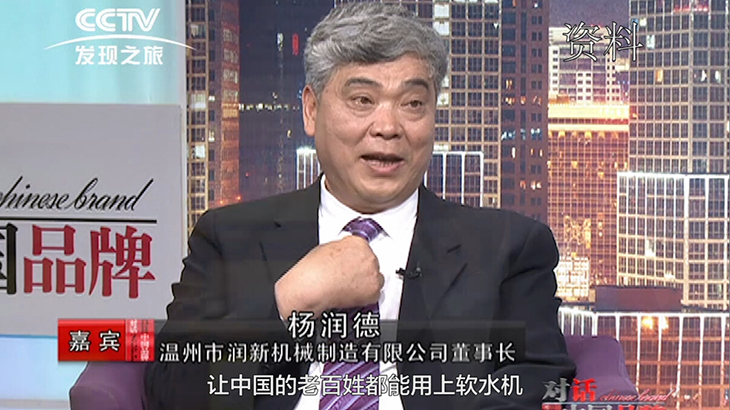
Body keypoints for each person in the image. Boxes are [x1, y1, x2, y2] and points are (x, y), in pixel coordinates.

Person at [145, 3, 575, 409]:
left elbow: (540, 384)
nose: (387, 127)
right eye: (362, 100)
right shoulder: (229, 236)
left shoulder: (509, 248)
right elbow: (172, 392)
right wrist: (291, 299)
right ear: (311, 110)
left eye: (413, 104)